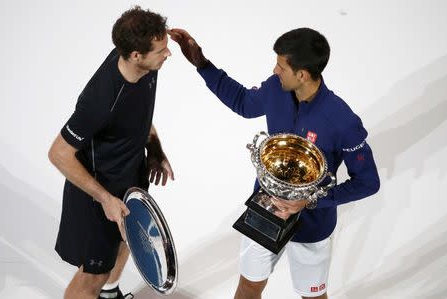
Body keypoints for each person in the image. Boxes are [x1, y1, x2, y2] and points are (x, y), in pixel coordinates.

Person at [170, 27, 380, 299]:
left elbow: (368, 182)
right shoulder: (276, 89)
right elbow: (243, 103)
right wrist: (203, 65)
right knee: (248, 288)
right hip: (265, 210)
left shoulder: (342, 121)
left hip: (312, 224)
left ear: (301, 74)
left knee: (313, 296)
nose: (274, 70)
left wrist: (311, 201)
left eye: (281, 66)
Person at [48, 6, 174, 299]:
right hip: (99, 193)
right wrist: (105, 199)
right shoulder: (100, 101)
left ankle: (110, 294)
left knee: (128, 240)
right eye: (161, 51)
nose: (168, 55)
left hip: (130, 176)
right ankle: (101, 288)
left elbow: (139, 115)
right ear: (135, 55)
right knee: (93, 275)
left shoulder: (146, 68)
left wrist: (154, 149)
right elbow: (58, 153)